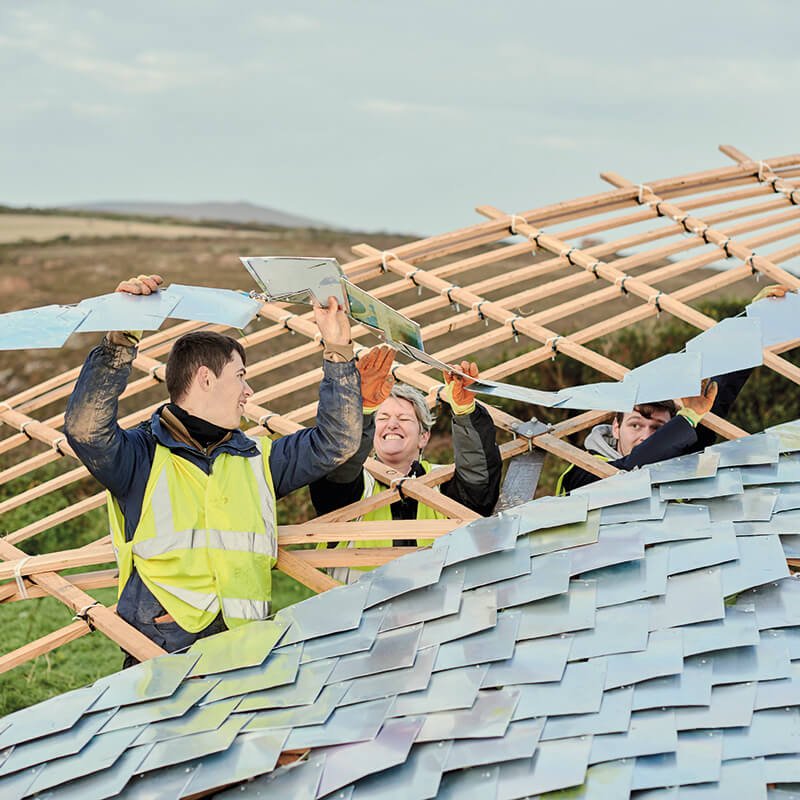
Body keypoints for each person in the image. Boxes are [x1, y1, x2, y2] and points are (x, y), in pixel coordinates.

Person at [65, 274, 363, 660]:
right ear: (206, 379)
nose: (248, 391)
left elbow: (336, 442)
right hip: (163, 651)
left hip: (249, 652)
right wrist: (120, 341)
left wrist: (338, 350)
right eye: (240, 376)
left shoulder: (259, 458)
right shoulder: (141, 456)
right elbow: (85, 430)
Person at [556, 284, 792, 494]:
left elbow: (720, 395)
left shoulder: (674, 455)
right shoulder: (581, 470)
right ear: (615, 428)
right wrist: (686, 419)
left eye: (658, 428)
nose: (645, 437)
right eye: (635, 425)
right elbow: (629, 470)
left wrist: (753, 322)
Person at [310, 348, 502, 581]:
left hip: (440, 613)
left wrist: (466, 414)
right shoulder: (356, 484)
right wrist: (363, 411)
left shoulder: (444, 483)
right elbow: (339, 465)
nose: (392, 425)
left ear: (423, 436)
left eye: (403, 419)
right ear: (370, 432)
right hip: (358, 613)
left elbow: (478, 479)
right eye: (382, 418)